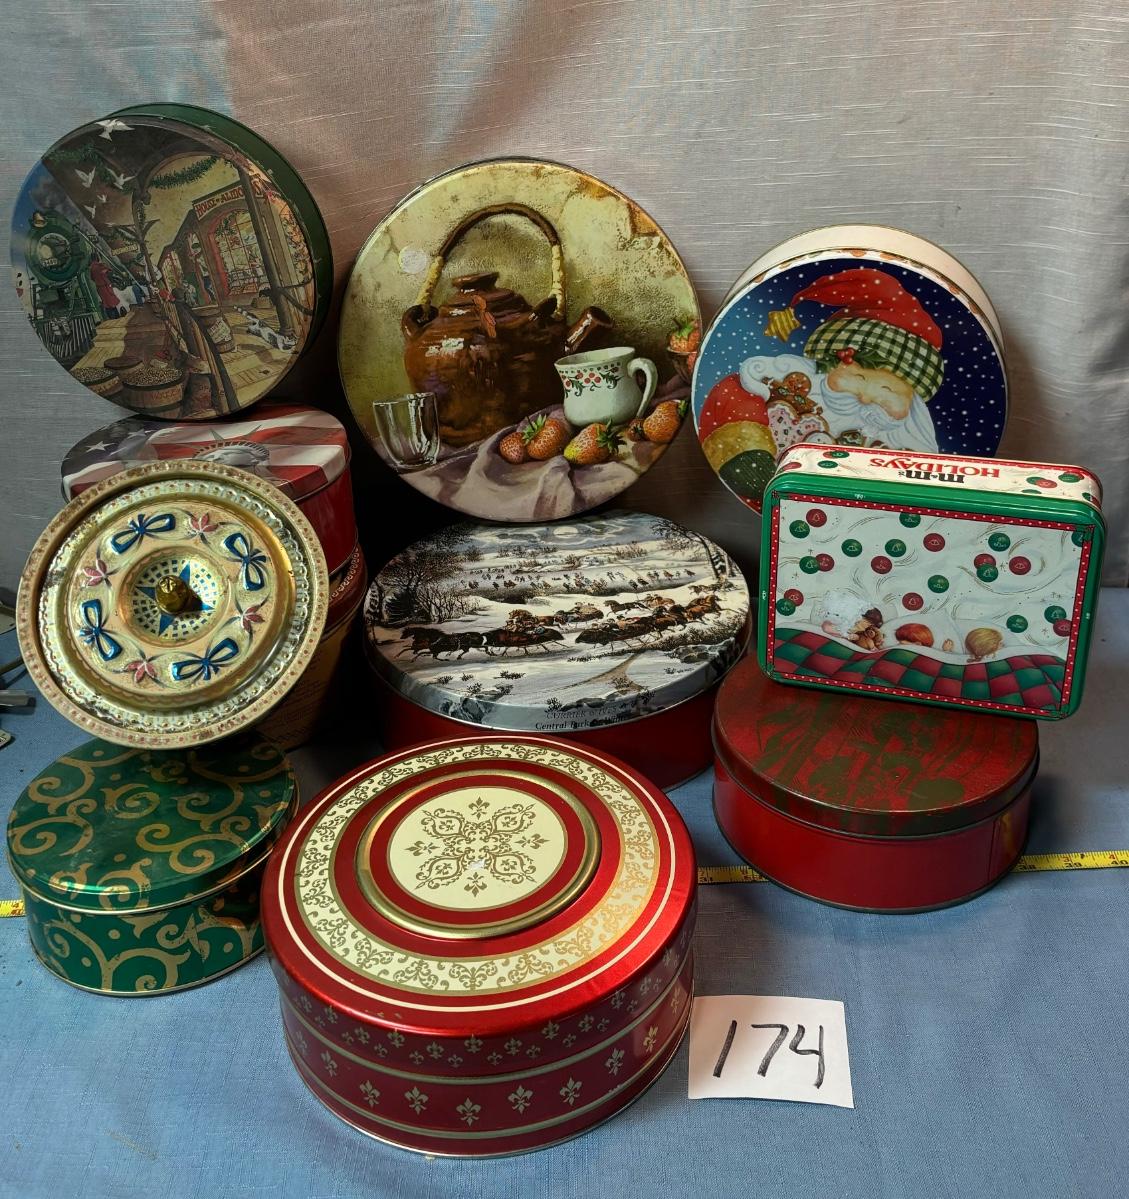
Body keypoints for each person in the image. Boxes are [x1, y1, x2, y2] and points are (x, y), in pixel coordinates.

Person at [743, 268, 943, 454]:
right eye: (858, 378)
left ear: (914, 403)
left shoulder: (912, 444)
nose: (865, 399)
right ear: (830, 365)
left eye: (887, 390)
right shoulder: (771, 389)